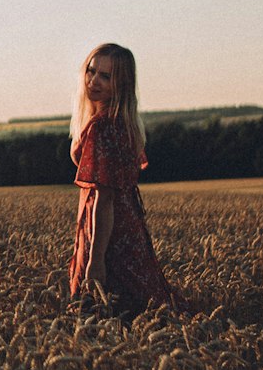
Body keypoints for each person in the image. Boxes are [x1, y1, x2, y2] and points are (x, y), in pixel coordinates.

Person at [68, 43, 180, 315]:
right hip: (128, 226)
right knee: (140, 306)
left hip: (107, 234)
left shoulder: (103, 126)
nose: (93, 81)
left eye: (105, 76)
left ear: (122, 84)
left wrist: (95, 261)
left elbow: (104, 200)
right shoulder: (121, 121)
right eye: (91, 71)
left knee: (104, 309)